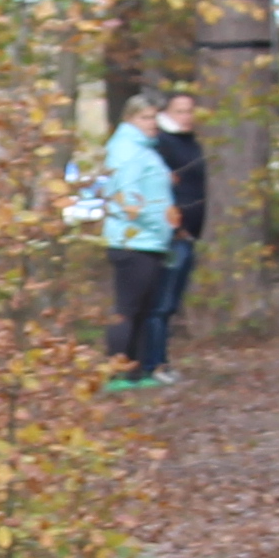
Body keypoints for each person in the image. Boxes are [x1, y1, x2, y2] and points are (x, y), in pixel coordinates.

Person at [90, 90, 184, 388]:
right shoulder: (126, 149)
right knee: (127, 309)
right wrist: (159, 226)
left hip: (150, 240)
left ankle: (137, 369)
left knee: (144, 309)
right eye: (145, 117)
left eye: (155, 117)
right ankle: (116, 370)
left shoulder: (143, 147)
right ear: (130, 118)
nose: (152, 123)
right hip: (133, 241)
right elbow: (128, 198)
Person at [149, 87, 210, 358]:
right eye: (180, 111)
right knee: (160, 303)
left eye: (190, 111)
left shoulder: (190, 141)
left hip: (188, 234)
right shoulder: (162, 144)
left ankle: (160, 360)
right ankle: (153, 362)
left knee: (170, 303)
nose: (187, 116)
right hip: (173, 235)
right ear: (165, 113)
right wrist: (175, 226)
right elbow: (159, 189)